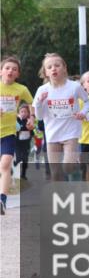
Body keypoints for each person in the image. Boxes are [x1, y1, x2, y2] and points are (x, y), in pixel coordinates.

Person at [33, 53, 89, 182]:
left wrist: (83, 112)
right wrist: (38, 102)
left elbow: (87, 102)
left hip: (70, 133)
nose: (53, 68)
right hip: (52, 135)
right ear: (46, 72)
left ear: (64, 68)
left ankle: (76, 163)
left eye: (57, 65)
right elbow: (39, 116)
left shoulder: (75, 87)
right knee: (55, 173)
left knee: (68, 167)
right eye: (49, 67)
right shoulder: (42, 90)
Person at [2, 57, 33, 211]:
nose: (10, 71)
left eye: (14, 69)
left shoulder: (21, 89)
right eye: (7, 68)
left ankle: (2, 200)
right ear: (1, 71)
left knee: (6, 164)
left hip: (8, 132)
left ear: (18, 74)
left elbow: (30, 102)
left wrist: (32, 117)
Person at [14, 104, 35, 181]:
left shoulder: (30, 121)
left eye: (25, 112)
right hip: (17, 143)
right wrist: (25, 127)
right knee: (19, 158)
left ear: (28, 113)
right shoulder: (17, 120)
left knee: (25, 159)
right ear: (19, 113)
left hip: (26, 143)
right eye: (21, 112)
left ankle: (23, 175)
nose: (23, 113)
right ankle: (15, 168)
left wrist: (31, 128)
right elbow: (17, 128)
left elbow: (33, 130)